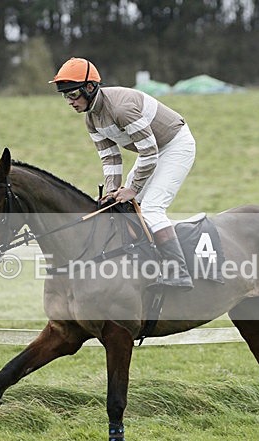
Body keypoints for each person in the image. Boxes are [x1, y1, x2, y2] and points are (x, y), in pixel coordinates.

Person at [50, 57, 196, 290]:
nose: (70, 102)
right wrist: (112, 191)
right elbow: (110, 158)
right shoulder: (91, 119)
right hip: (152, 151)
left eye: (73, 94)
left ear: (90, 87)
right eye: (65, 96)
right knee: (122, 206)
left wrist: (133, 189)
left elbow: (149, 153)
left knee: (151, 209)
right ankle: (147, 264)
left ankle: (179, 272)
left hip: (175, 146)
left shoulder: (121, 109)